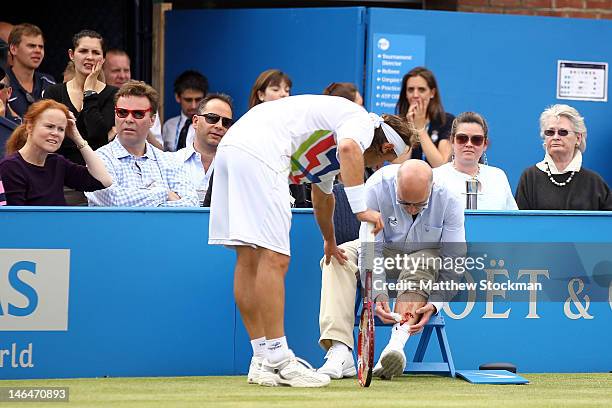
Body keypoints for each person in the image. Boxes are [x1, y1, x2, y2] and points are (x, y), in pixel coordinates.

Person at [209, 94, 417, 387]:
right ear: (384, 146)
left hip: (232, 148)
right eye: (384, 159)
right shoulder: (359, 123)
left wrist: (329, 241)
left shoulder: (333, 142)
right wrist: (361, 209)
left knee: (249, 258)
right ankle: (281, 360)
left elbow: (323, 197)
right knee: (275, 258)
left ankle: (261, 359)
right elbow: (348, 149)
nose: (378, 165)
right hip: (262, 153)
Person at [317, 160, 465, 380]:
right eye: (405, 203)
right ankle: (340, 351)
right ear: (396, 185)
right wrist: (377, 292)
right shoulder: (377, 186)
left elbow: (454, 259)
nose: (412, 209)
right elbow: (371, 249)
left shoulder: (450, 198)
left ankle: (396, 345)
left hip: (424, 254)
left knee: (422, 260)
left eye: (419, 205)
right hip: (382, 250)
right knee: (337, 257)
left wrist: (435, 303)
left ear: (431, 189)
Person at [85, 80, 198, 207]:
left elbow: (192, 203)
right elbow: (115, 201)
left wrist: (142, 201)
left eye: (138, 114)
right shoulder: (98, 159)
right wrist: (164, 194)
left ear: (152, 120)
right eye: (122, 112)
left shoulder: (168, 161)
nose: (128, 120)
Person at [0, 99, 112, 205]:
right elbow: (16, 217)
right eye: (49, 126)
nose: (55, 133)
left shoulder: (57, 163)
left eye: (61, 129)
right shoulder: (10, 167)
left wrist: (77, 138)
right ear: (30, 127)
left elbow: (104, 181)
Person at [515, 104, 612, 210]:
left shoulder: (594, 182)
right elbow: (520, 223)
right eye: (550, 132)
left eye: (563, 132)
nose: (556, 137)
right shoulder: (529, 177)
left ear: (578, 138)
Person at [44, 29, 117, 165]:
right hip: (58, 169)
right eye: (83, 51)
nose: (89, 57)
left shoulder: (113, 94)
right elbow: (47, 134)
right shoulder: (53, 92)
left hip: (98, 170)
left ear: (103, 59)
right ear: (71, 54)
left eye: (96, 52)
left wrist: (89, 91)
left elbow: (97, 135)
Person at [433, 112, 517, 210]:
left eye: (476, 139)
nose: (469, 144)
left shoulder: (498, 177)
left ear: (485, 144)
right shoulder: (436, 177)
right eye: (462, 138)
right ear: (452, 141)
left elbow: (512, 219)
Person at [173, 93, 232, 206]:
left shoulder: (234, 166)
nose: (219, 126)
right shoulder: (170, 161)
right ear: (195, 121)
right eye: (212, 118)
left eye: (226, 122)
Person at [396, 67, 454, 167]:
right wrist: (410, 127)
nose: (415, 95)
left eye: (421, 90)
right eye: (410, 90)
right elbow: (398, 165)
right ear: (405, 93)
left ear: (432, 93)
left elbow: (441, 165)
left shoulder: (446, 121)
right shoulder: (397, 123)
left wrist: (420, 128)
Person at [6, 23, 55, 118]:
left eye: (41, 47)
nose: (38, 50)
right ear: (13, 49)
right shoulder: (2, 82)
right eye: (31, 46)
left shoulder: (49, 82)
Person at [162, 70, 208, 152]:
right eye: (188, 100)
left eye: (198, 99)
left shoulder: (209, 126)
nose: (194, 106)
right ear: (177, 97)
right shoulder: (169, 126)